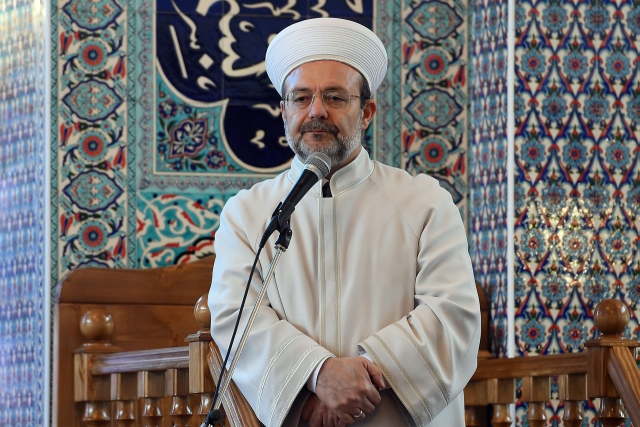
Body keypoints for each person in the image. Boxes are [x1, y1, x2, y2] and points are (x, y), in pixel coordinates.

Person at [209, 18, 481, 427]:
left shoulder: (426, 204)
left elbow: (453, 317)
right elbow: (236, 319)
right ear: (283, 111)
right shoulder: (246, 214)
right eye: (301, 97)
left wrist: (357, 382)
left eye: (335, 96)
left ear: (366, 112)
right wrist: (316, 378)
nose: (316, 111)